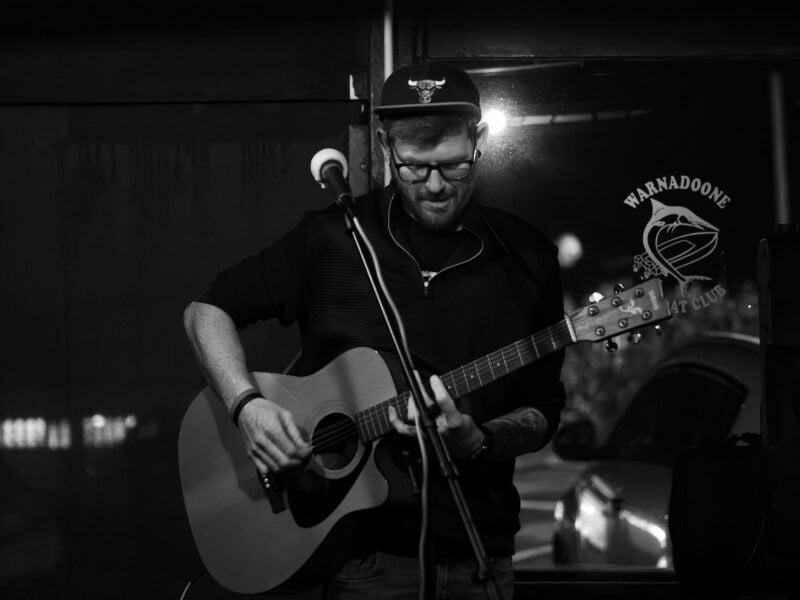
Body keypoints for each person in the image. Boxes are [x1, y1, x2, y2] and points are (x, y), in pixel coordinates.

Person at [183, 60, 566, 600]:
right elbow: (206, 311)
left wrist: (478, 440)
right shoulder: (333, 239)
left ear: (479, 141)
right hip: (360, 562)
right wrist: (247, 406)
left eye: (453, 165)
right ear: (387, 150)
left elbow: (542, 412)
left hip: (477, 557)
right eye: (414, 166)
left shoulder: (527, 260)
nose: (434, 185)